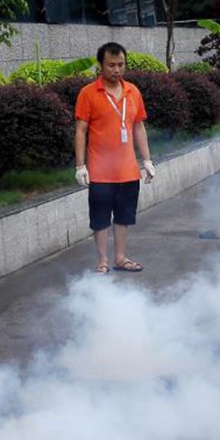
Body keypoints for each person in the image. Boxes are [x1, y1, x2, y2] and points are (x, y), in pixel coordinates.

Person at [74, 42, 155, 274]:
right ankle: (102, 261)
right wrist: (80, 165)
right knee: (100, 217)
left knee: (123, 216)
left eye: (121, 65)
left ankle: (120, 258)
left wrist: (147, 161)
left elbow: (138, 126)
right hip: (100, 171)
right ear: (100, 65)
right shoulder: (88, 93)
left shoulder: (133, 91)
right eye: (111, 65)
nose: (116, 70)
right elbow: (81, 130)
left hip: (127, 170)